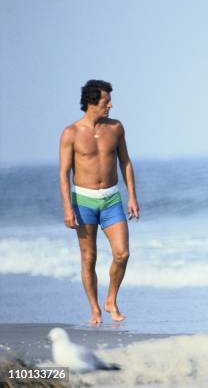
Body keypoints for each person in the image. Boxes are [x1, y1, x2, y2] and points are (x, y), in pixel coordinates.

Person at [59, 80, 139, 324]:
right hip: (83, 201)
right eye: (106, 102)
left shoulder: (115, 128)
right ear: (92, 103)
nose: (110, 105)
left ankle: (111, 300)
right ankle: (94, 309)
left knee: (122, 254)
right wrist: (67, 207)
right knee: (89, 258)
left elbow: (125, 162)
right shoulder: (71, 133)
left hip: (112, 199)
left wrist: (132, 197)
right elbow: (64, 173)